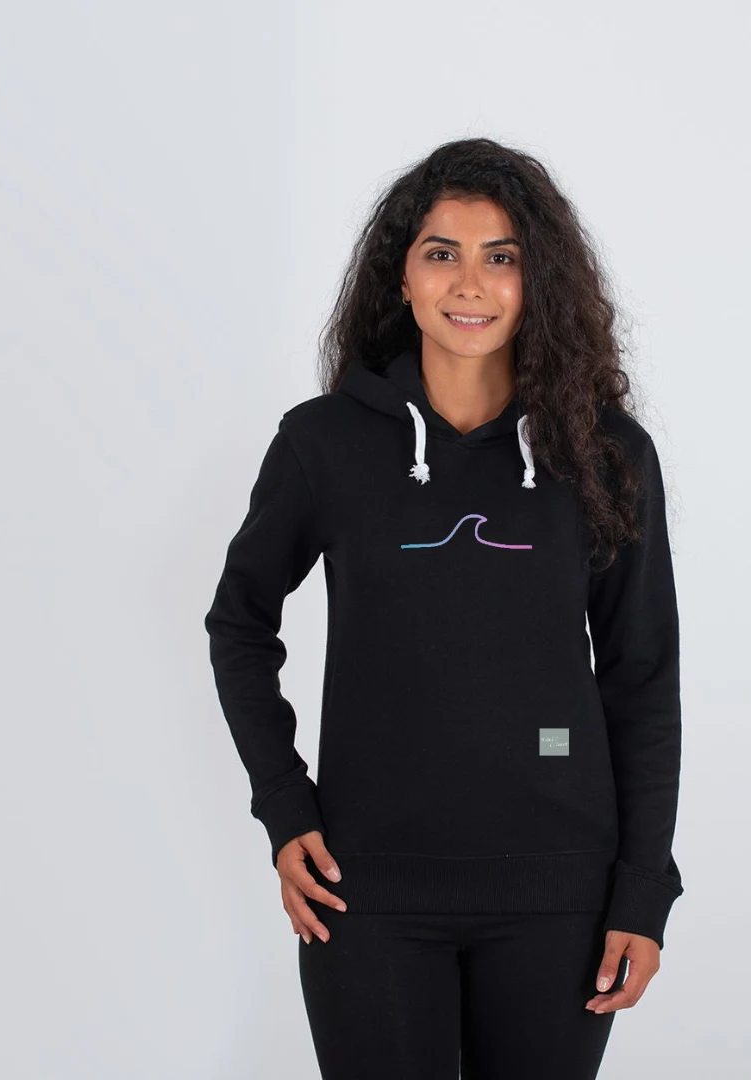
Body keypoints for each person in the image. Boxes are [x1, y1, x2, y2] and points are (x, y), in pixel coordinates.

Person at [204, 136, 684, 1080]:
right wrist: (285, 806)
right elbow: (240, 623)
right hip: (365, 893)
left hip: (561, 896)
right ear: (403, 276)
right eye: (442, 253)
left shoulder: (606, 453)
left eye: (501, 256)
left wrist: (642, 890)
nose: (471, 283)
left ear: (537, 280)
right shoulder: (324, 445)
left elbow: (641, 677)